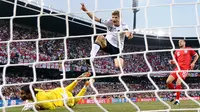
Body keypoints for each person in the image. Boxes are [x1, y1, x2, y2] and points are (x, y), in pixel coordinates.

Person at [81, 3, 133, 68]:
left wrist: (129, 35)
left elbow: (127, 33)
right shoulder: (109, 22)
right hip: (107, 44)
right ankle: (91, 59)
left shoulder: (124, 26)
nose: (114, 19)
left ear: (120, 18)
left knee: (119, 66)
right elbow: (95, 18)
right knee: (100, 37)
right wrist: (85, 10)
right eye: (113, 17)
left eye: (116, 17)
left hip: (116, 49)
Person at [21, 72, 93, 110]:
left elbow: (52, 107)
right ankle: (83, 82)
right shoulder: (35, 90)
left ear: (29, 94)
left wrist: (40, 108)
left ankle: (85, 86)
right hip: (58, 91)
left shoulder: (41, 101)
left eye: (22, 93)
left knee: (75, 100)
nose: (20, 95)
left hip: (64, 98)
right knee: (72, 85)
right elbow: (42, 91)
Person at [166, 39, 199, 105]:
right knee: (168, 81)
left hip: (185, 69)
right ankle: (175, 92)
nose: (179, 43)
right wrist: (172, 61)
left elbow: (196, 55)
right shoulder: (176, 51)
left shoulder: (189, 49)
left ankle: (177, 100)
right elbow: (175, 60)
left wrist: (193, 63)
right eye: (179, 42)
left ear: (184, 42)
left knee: (178, 81)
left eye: (181, 41)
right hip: (177, 68)